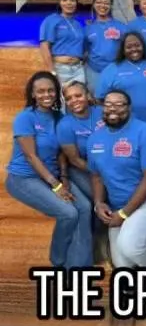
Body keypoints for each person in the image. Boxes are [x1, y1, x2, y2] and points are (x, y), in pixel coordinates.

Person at [6, 71, 92, 266]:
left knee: (84, 208)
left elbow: (61, 151)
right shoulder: (25, 118)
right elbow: (31, 156)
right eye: (41, 91)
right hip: (24, 178)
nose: (47, 95)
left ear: (57, 93)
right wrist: (56, 186)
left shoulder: (59, 117)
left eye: (51, 91)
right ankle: (58, 262)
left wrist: (64, 179)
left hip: (52, 176)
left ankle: (78, 268)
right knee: (68, 213)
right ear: (33, 94)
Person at [87, 88, 146, 270]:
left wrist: (124, 214)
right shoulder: (94, 139)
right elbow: (96, 175)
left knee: (132, 247)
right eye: (108, 104)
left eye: (119, 104)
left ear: (129, 108)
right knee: (121, 265)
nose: (113, 109)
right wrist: (99, 203)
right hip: (117, 206)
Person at [111, 31, 146, 129]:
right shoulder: (112, 69)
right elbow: (101, 101)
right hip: (122, 128)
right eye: (128, 47)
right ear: (123, 50)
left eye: (137, 45)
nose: (134, 49)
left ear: (143, 46)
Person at [57, 77, 97, 208]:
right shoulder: (64, 125)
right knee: (97, 194)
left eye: (78, 95)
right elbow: (74, 159)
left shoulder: (103, 112)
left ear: (88, 95)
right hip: (83, 167)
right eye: (68, 98)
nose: (74, 100)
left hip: (110, 163)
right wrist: (101, 172)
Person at [39, 0, 87, 84]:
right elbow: (44, 47)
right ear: (59, 3)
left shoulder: (78, 25)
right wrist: (52, 71)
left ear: (76, 3)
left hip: (78, 70)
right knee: (61, 98)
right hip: (60, 69)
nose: (69, 3)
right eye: (64, 0)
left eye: (72, 0)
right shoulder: (51, 20)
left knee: (79, 98)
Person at [84, 0, 124, 92]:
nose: (103, 6)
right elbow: (84, 51)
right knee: (96, 102)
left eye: (106, 3)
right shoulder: (87, 28)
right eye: (99, 2)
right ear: (93, 4)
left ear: (111, 6)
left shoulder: (121, 27)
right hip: (94, 72)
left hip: (116, 72)